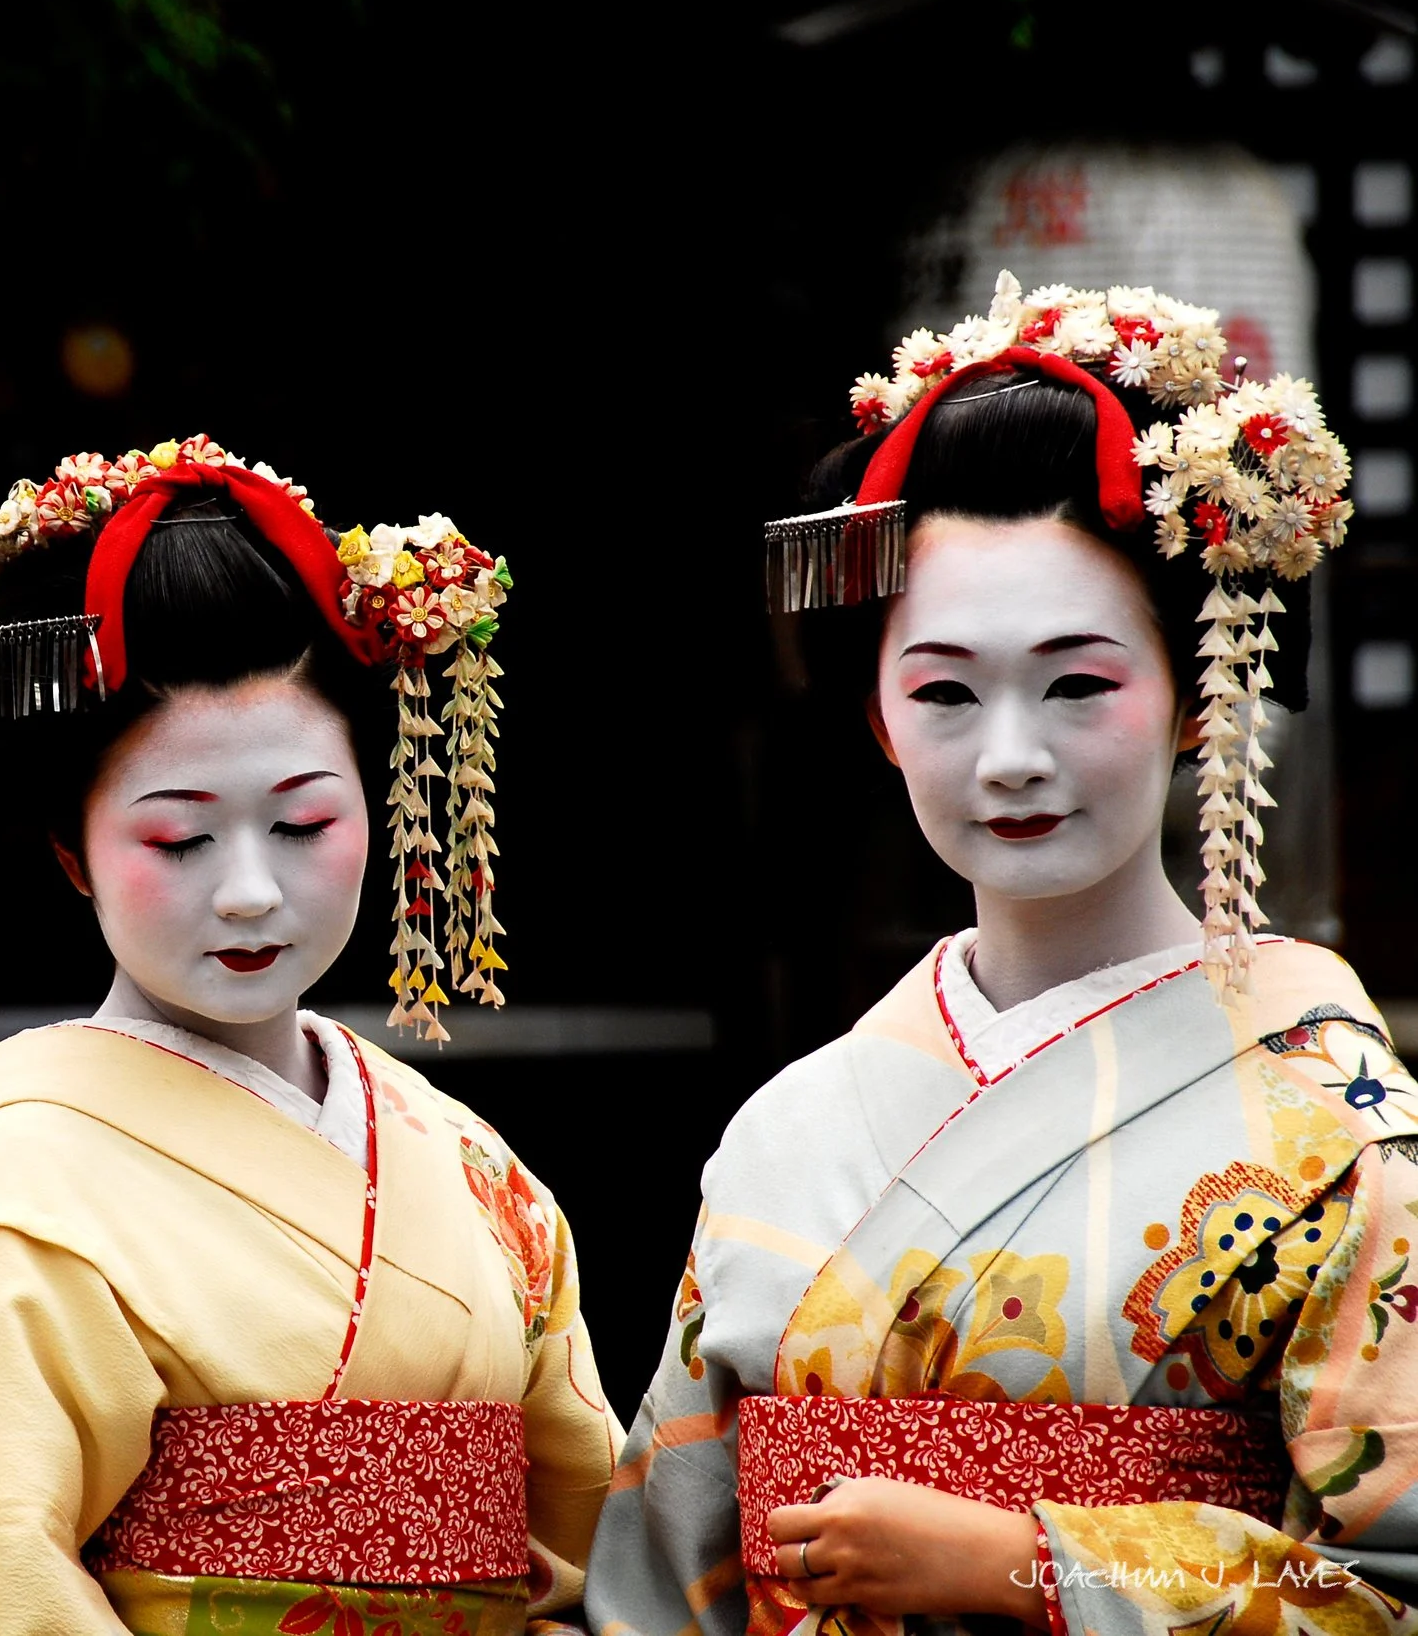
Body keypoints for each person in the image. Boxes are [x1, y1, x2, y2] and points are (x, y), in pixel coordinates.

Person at [586, 275, 1405, 1636]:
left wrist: (1024, 1563)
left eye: (1078, 684)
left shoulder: (1342, 1132)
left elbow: (1392, 1592)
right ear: (878, 717)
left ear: (1199, 700)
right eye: (946, 691)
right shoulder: (788, 1131)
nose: (1010, 755)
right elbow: (654, 1598)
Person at [0, 436, 616, 1635]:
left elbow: (594, 1538)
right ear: (70, 852)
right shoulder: (24, 1189)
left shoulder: (464, 1164)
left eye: (302, 824)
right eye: (180, 840)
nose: (249, 891)